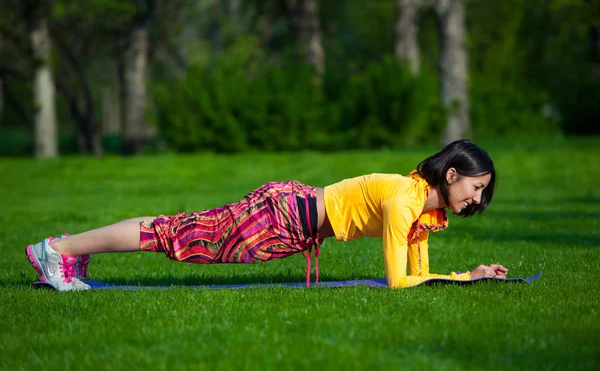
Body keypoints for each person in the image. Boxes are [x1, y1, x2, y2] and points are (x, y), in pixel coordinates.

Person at [25, 139, 507, 292]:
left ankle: (68, 252)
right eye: (476, 187)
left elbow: (419, 276)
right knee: (173, 236)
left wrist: (471, 275)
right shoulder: (405, 200)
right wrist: (464, 278)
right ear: (451, 176)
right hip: (280, 218)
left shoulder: (423, 209)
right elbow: (399, 283)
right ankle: (57, 251)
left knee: (173, 232)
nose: (477, 199)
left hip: (290, 218)